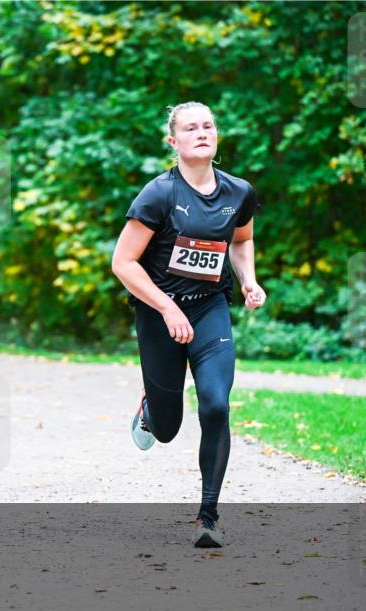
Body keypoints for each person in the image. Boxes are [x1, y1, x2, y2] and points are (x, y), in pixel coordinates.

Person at [111, 101, 266, 548]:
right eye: (190, 128)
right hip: (160, 314)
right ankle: (151, 407)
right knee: (167, 428)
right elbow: (123, 263)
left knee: (216, 405)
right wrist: (166, 308)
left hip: (209, 308)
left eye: (208, 126)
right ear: (173, 141)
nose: (202, 133)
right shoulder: (158, 195)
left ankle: (208, 516)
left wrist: (249, 280)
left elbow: (242, 239)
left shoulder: (239, 192)